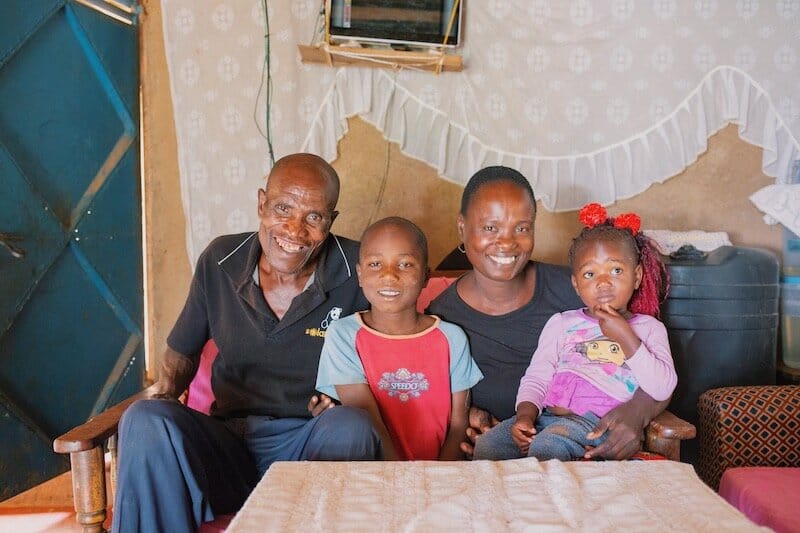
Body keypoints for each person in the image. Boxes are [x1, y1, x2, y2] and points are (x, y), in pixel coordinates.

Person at [113, 153, 381, 533]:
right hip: (228, 443)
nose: (294, 229)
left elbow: (401, 340)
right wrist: (167, 391)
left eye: (314, 217)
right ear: (261, 203)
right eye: (283, 208)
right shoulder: (221, 259)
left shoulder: (358, 266)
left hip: (308, 440)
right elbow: (182, 350)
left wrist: (346, 396)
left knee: (351, 426)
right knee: (144, 418)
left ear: (331, 221)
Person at [426, 166, 671, 460]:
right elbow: (432, 394)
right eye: (490, 228)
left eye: (522, 227)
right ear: (463, 228)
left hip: (582, 439)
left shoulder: (583, 290)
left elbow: (656, 369)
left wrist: (636, 414)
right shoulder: (441, 316)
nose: (507, 242)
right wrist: (465, 415)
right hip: (515, 439)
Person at [475, 203, 677, 461]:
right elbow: (538, 376)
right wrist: (525, 416)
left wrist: (626, 338)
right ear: (576, 284)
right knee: (489, 446)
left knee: (549, 446)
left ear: (636, 276)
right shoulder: (562, 324)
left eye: (616, 270)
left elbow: (662, 387)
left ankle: (547, 501)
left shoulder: (649, 328)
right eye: (590, 274)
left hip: (596, 425)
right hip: (546, 417)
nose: (603, 282)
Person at [316, 217, 483, 460]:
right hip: (374, 475)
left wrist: (438, 477)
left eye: (405, 264)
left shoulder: (451, 338)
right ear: (360, 275)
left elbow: (458, 426)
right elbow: (369, 420)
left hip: (439, 475)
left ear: (426, 276)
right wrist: (400, 482)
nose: (389, 276)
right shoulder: (344, 335)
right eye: (375, 264)